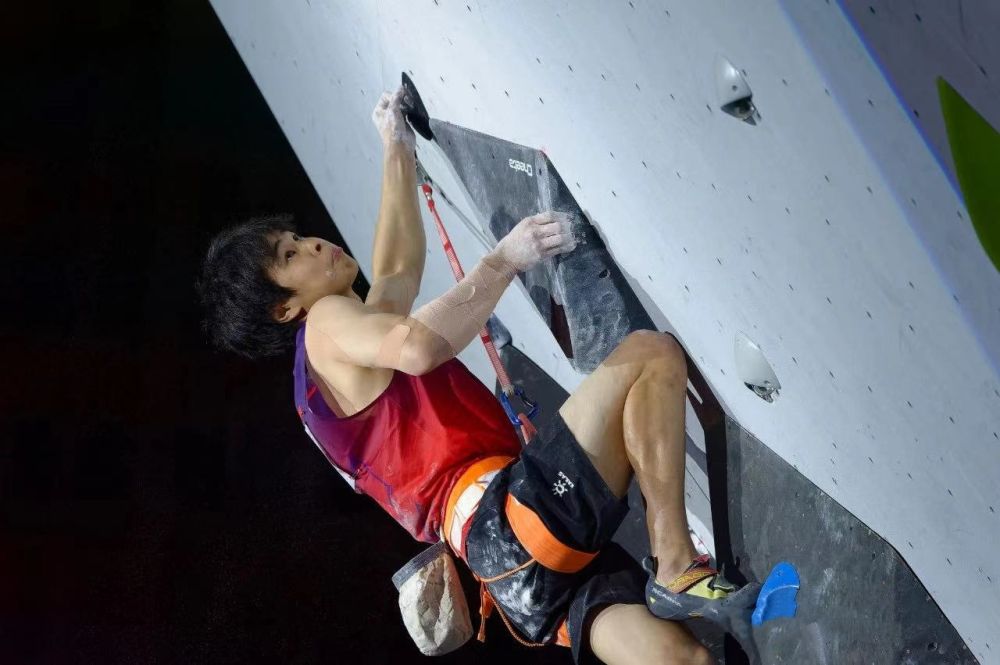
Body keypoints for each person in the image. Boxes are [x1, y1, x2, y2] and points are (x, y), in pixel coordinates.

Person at [196, 87, 759, 665]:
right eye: (290, 256)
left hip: (507, 575)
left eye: (296, 238)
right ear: (284, 310)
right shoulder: (324, 323)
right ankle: (675, 565)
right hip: (509, 518)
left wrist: (396, 147)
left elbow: (395, 271)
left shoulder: (322, 381)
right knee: (651, 355)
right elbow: (418, 345)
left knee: (686, 661)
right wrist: (504, 261)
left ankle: (674, 581)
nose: (312, 244)